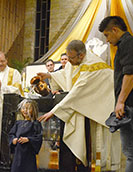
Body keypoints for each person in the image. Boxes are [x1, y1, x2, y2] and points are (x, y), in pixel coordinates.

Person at [38, 40, 121, 171]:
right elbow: (66, 74)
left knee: (103, 148)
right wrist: (49, 75)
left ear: (81, 55)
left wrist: (54, 111)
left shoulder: (93, 66)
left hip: (99, 111)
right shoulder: (75, 61)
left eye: (70, 58)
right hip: (80, 108)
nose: (68, 61)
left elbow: (77, 92)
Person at [99, 16, 133, 172]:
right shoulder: (129, 44)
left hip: (132, 105)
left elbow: (130, 73)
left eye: (107, 35)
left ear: (115, 30)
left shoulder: (129, 44)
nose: (107, 40)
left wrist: (121, 101)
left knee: (132, 151)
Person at [9, 99, 42, 172]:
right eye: (23, 108)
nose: (25, 110)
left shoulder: (36, 124)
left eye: (28, 108)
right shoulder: (18, 123)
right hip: (18, 153)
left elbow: (39, 138)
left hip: (28, 153)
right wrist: (13, 140)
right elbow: (11, 134)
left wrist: (29, 139)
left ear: (33, 110)